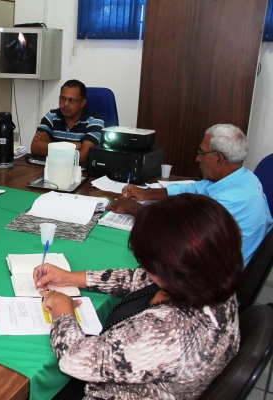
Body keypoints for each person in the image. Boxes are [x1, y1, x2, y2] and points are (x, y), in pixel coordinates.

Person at [35, 194, 243, 399]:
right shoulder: (210, 275)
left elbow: (74, 359)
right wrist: (70, 278)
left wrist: (62, 307)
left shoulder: (168, 333)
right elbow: (137, 279)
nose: (142, 266)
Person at [108, 123, 272, 265]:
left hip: (214, 279)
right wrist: (147, 194)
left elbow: (176, 230)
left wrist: (130, 206)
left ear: (219, 158)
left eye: (202, 153)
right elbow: (194, 189)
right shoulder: (244, 177)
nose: (197, 159)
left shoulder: (230, 200)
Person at [30, 80, 105, 164]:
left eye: (71, 100)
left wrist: (51, 145)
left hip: (80, 170)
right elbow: (35, 148)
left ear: (82, 103)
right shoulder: (51, 116)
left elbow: (83, 156)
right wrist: (77, 146)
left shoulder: (95, 120)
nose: (65, 104)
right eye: (62, 98)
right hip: (53, 167)